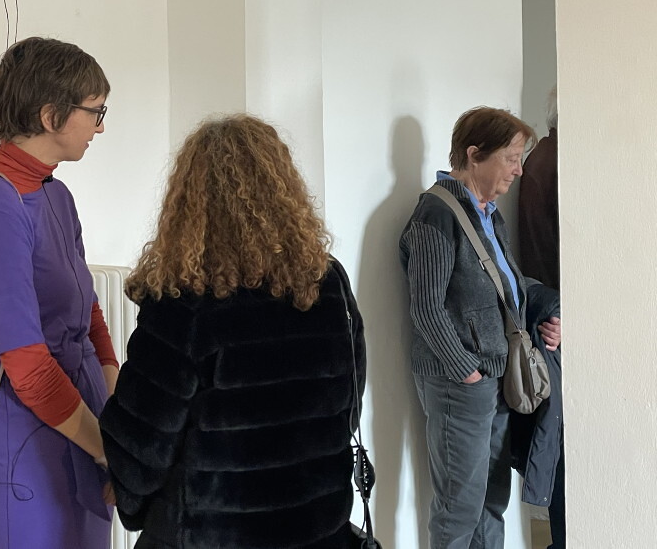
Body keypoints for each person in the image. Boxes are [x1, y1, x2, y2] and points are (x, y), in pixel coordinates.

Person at [100, 114, 367, 549]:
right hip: (315, 524)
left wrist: (129, 495)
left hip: (209, 533)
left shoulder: (183, 300)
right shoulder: (327, 282)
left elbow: (144, 441)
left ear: (189, 200)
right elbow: (349, 402)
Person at [0, 37, 118, 548]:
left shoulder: (56, 195)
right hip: (29, 445)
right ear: (50, 115)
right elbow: (28, 367)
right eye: (95, 111)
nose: (100, 127)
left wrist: (113, 420)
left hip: (84, 423)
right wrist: (108, 448)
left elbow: (89, 315)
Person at [399, 106, 561, 549]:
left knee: (492, 501)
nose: (519, 170)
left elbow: (508, 284)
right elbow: (427, 308)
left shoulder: (488, 213)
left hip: (496, 377)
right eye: (511, 158)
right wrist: (466, 371)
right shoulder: (436, 215)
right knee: (459, 510)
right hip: (462, 384)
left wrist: (552, 309)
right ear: (474, 155)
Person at [515, 87, 564, 549]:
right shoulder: (558, 163)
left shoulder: (542, 159)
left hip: (551, 315)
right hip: (558, 321)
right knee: (565, 450)